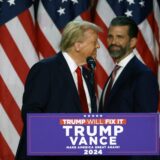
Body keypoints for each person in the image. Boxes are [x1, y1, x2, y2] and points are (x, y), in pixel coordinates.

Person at [16, 20, 102, 160]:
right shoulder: (45, 69)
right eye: (94, 42)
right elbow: (32, 115)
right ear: (77, 45)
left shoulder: (87, 75)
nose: (98, 46)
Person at [99, 16, 159, 160]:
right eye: (110, 37)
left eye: (120, 37)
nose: (113, 42)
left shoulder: (142, 75)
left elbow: (144, 129)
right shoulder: (116, 72)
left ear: (132, 42)